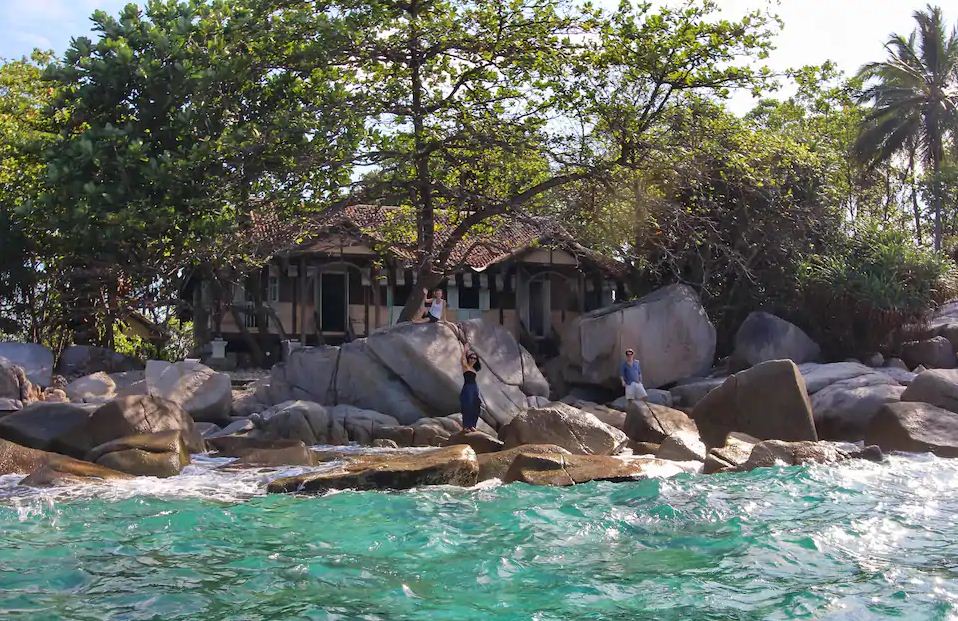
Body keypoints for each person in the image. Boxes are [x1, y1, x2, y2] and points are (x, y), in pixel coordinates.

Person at [460, 345, 483, 431]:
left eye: (475, 358)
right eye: (471, 358)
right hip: (467, 387)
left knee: (476, 406)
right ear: (468, 358)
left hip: (474, 388)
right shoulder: (466, 366)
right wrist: (465, 349)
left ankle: (472, 425)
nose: (473, 359)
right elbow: (462, 359)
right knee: (467, 406)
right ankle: (466, 426)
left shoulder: (474, 369)